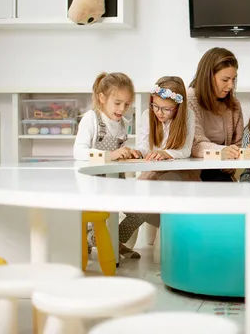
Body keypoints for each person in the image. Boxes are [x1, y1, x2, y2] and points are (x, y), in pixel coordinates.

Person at [117, 76, 196, 257]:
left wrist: (166, 153)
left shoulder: (188, 116)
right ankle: (117, 240)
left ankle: (116, 239)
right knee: (137, 195)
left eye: (166, 109)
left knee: (149, 191)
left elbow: (185, 151)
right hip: (154, 170)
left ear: (178, 107)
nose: (159, 112)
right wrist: (138, 152)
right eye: (155, 106)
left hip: (179, 173)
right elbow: (144, 145)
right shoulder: (148, 115)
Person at [73, 72, 142, 258]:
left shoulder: (122, 123)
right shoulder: (92, 118)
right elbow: (78, 152)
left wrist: (129, 153)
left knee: (140, 212)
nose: (122, 109)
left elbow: (118, 153)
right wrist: (110, 155)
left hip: (115, 183)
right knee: (101, 216)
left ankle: (108, 241)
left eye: (127, 104)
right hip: (93, 185)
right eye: (117, 103)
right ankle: (100, 241)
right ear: (102, 98)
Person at [187, 47, 244, 181]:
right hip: (193, 170)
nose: (230, 85)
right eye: (225, 80)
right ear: (208, 76)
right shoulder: (189, 98)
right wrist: (224, 152)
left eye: (233, 79)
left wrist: (233, 161)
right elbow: (195, 144)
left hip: (220, 170)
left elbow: (238, 144)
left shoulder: (234, 104)